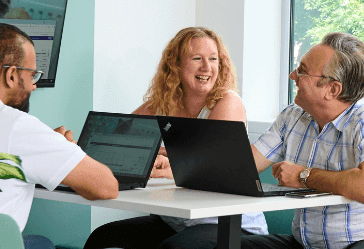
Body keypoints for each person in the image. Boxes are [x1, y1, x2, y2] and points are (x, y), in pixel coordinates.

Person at [0, 23, 120, 249]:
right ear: (11, 75)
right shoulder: (15, 125)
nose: (34, 86)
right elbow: (107, 187)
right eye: (32, 75)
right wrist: (63, 146)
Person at [83, 27, 265, 249]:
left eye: (213, 59)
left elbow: (207, 170)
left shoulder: (228, 102)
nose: (207, 67)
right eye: (197, 58)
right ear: (176, 65)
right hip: (176, 220)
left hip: (227, 222)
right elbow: (117, 145)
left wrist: (162, 159)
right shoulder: (160, 105)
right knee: (102, 239)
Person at [242, 32, 364, 249]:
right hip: (308, 244)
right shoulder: (293, 115)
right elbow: (242, 169)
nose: (293, 75)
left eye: (303, 71)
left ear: (333, 89)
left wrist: (303, 176)